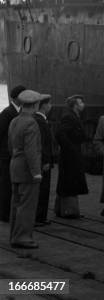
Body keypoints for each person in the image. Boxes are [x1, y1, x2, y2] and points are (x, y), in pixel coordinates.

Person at [8, 89, 43, 249]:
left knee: (16, 203)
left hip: (15, 166)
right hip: (27, 170)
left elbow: (10, 146)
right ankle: (23, 237)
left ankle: (14, 235)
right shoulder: (31, 123)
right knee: (27, 205)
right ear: (35, 105)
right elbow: (31, 150)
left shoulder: (14, 121)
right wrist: (36, 172)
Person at [55, 95, 88, 218]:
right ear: (75, 105)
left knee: (66, 181)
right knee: (70, 181)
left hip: (70, 154)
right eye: (81, 102)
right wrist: (70, 148)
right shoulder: (69, 117)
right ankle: (70, 211)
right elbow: (60, 134)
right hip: (70, 156)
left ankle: (61, 209)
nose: (83, 104)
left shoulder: (73, 115)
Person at [0, 85, 25, 222]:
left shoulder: (19, 112)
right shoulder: (7, 113)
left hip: (14, 155)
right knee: (6, 185)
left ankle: (11, 212)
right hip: (6, 156)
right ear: (18, 97)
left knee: (13, 185)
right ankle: (4, 214)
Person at [34, 95, 53, 226]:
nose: (51, 106)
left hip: (42, 160)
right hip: (43, 162)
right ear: (45, 105)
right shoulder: (40, 121)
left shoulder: (40, 119)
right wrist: (46, 161)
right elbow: (43, 144)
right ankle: (39, 217)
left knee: (43, 190)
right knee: (43, 189)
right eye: (49, 104)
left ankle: (40, 216)